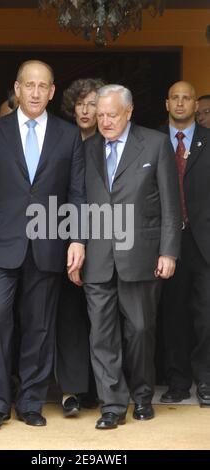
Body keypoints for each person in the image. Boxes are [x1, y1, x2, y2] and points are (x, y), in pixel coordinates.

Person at [0, 60, 86, 430]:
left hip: (48, 243)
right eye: (29, 85)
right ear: (17, 89)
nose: (35, 93)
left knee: (39, 326)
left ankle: (31, 401)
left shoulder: (68, 136)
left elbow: (77, 194)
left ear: (52, 92)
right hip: (1, 243)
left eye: (43, 86)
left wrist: (77, 238)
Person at [81, 84, 181, 429]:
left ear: (129, 112)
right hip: (97, 257)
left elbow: (171, 203)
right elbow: (79, 203)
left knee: (139, 330)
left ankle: (141, 395)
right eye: (100, 115)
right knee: (101, 334)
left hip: (141, 255)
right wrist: (76, 243)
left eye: (112, 115)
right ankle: (112, 404)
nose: (105, 122)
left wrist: (168, 250)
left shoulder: (155, 143)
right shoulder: (88, 148)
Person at [159, 81, 210, 406]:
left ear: (195, 104)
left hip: (204, 241)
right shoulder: (149, 141)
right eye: (175, 97)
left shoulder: (209, 140)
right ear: (167, 103)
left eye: (186, 98)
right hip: (166, 241)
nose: (180, 103)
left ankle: (205, 380)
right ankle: (176, 381)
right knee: (171, 313)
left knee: (206, 315)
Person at [57, 78, 104, 417]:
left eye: (93, 104)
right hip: (62, 236)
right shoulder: (59, 139)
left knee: (102, 320)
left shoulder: (113, 143)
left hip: (104, 241)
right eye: (80, 104)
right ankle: (71, 391)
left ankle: (100, 387)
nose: (86, 111)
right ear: (71, 108)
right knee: (69, 318)